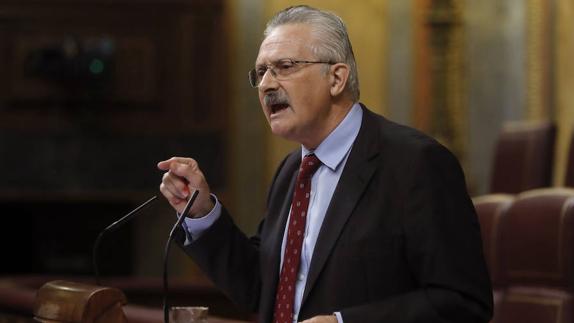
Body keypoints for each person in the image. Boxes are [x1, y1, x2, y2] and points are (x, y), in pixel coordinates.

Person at [157, 5, 493, 323]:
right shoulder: (291, 171)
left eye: (285, 67)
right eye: (261, 72)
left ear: (336, 78)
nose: (267, 85)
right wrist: (201, 213)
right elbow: (264, 289)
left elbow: (463, 301)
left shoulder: (417, 163)